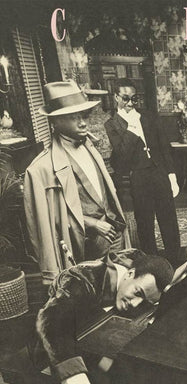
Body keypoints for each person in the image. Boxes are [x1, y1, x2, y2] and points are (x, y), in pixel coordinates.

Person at [32, 248, 174, 384]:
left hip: (97, 343)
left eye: (146, 302)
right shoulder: (81, 281)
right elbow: (52, 327)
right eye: (137, 293)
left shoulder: (140, 267)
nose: (135, 304)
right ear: (130, 274)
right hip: (57, 349)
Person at [24, 80, 130, 285]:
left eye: (83, 116)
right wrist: (92, 223)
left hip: (114, 234)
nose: (83, 123)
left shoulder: (90, 147)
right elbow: (48, 222)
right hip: (84, 247)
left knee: (122, 286)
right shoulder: (41, 169)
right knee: (91, 293)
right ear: (55, 122)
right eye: (74, 118)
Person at [105, 78, 181, 265]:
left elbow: (163, 147)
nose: (130, 103)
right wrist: (131, 128)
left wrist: (172, 176)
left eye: (134, 98)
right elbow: (122, 157)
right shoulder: (112, 125)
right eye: (125, 98)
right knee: (145, 223)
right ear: (116, 97)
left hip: (159, 172)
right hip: (138, 177)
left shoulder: (149, 116)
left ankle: (176, 260)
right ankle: (152, 265)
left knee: (169, 220)